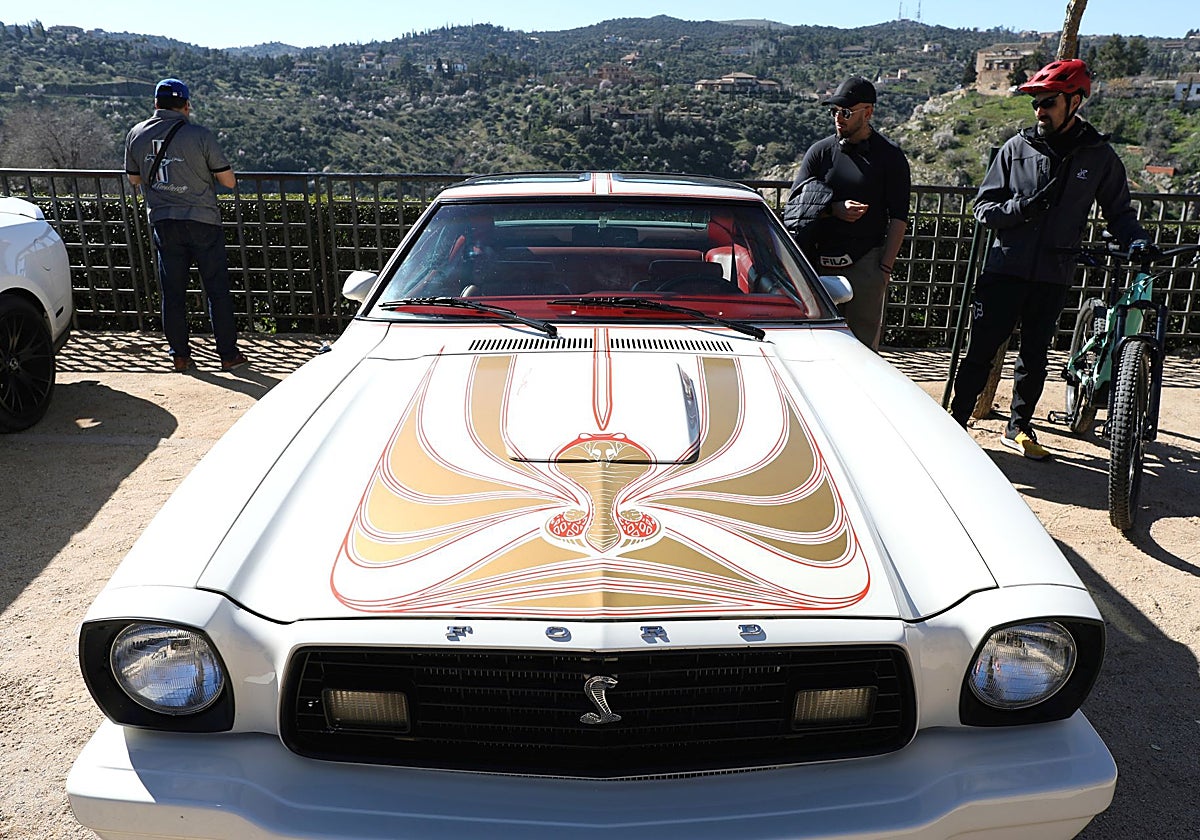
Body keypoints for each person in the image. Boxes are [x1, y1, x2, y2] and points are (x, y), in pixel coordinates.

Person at [949, 59, 1153, 460]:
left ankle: (1019, 428)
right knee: (981, 350)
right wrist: (1023, 208)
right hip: (1004, 268)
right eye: (1036, 103)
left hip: (1054, 272)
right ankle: (955, 422)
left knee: (1035, 355)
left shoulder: (1098, 156)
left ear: (1074, 101)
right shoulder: (1016, 148)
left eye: (1049, 102)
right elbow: (983, 208)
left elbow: (1120, 213)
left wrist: (1138, 241)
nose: (1040, 110)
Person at [124, 78, 247, 372]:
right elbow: (228, 181)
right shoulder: (199, 135)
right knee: (216, 290)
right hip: (203, 221)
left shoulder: (135, 134)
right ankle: (228, 355)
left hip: (164, 222)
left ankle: (180, 356)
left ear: (155, 104)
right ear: (187, 105)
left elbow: (134, 179)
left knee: (173, 292)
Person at [789, 76, 911, 350]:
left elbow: (899, 217)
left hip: (866, 264)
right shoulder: (820, 153)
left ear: (868, 112)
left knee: (863, 349)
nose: (838, 119)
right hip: (816, 263)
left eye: (845, 112)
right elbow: (795, 208)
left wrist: (884, 269)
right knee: (814, 344)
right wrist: (833, 210)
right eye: (834, 112)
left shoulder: (890, 157)